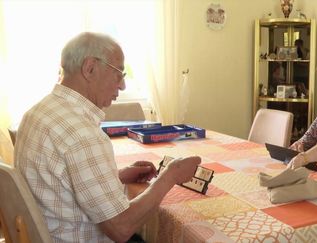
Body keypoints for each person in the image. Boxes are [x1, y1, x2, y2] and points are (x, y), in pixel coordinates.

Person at [14, 32, 201, 242]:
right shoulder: (82, 134)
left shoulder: (37, 112)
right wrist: (170, 176)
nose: (122, 85)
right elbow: (121, 228)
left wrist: (115, 176)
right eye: (118, 73)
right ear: (90, 68)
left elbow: (58, 182)